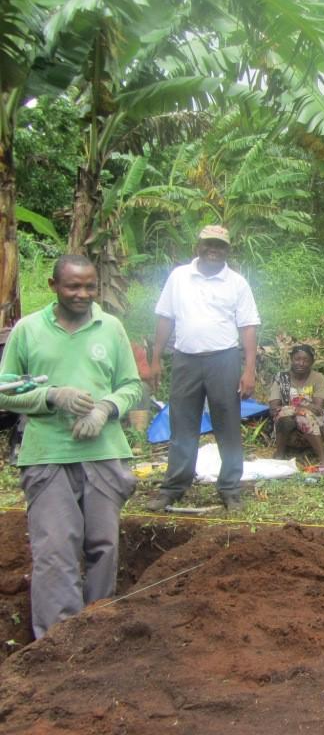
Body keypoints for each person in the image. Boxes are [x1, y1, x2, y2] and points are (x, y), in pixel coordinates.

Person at [0, 254, 142, 638]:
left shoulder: (110, 328)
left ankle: (96, 632)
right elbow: (5, 390)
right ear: (53, 286)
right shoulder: (27, 330)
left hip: (104, 454)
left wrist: (104, 410)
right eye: (73, 286)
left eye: (89, 286)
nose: (83, 294)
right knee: (56, 553)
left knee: (104, 547)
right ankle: (58, 643)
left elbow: (132, 385)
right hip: (48, 456)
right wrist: (51, 396)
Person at [145, 225, 260, 512]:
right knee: (182, 423)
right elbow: (165, 318)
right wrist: (156, 358)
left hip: (224, 359)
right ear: (198, 246)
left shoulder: (236, 283)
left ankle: (230, 488)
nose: (213, 250)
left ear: (227, 250)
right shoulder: (179, 277)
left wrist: (249, 369)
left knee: (228, 424)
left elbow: (248, 327)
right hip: (186, 359)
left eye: (220, 246)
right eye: (208, 244)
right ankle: (174, 487)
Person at [268, 344, 324, 468]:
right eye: (297, 359)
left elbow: (317, 409)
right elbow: (274, 410)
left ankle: (323, 458)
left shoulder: (318, 378)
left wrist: (297, 409)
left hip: (314, 428)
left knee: (302, 415)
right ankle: (280, 453)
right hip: (288, 431)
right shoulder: (282, 378)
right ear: (291, 359)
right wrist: (299, 408)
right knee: (285, 416)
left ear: (312, 362)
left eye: (306, 360)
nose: (301, 363)